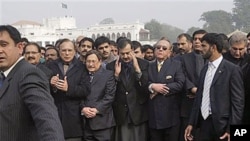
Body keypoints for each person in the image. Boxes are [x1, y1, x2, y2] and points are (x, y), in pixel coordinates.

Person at [0, 25, 64, 140]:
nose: (0, 50)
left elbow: (46, 117)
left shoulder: (28, 74)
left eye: (4, 45)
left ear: (20, 47)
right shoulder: (5, 74)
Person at [184, 33, 244, 141]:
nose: (200, 48)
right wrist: (191, 123)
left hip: (222, 127)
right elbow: (199, 98)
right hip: (203, 125)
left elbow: (237, 103)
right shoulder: (204, 69)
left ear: (213, 47)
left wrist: (231, 129)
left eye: (204, 46)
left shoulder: (232, 70)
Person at [106, 38, 149, 141]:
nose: (125, 56)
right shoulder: (110, 66)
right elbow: (109, 90)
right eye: (122, 54)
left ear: (133, 50)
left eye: (128, 53)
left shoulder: (144, 64)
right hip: (120, 112)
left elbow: (146, 87)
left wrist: (138, 70)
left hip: (138, 111)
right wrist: (116, 76)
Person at [47, 38, 90, 141]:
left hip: (74, 119)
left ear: (75, 51)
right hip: (54, 116)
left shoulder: (82, 67)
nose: (67, 53)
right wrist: (51, 84)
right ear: (59, 51)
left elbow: (85, 90)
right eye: (64, 50)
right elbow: (42, 89)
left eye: (69, 50)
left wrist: (68, 88)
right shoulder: (50, 66)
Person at [148, 37, 185, 141]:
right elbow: (143, 83)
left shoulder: (176, 65)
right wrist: (152, 86)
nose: (160, 50)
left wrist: (160, 88)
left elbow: (179, 84)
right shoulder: (148, 66)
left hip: (170, 113)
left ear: (169, 52)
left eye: (164, 48)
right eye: (158, 47)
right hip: (153, 114)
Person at [81, 50, 116, 141]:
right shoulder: (82, 74)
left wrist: (97, 109)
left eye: (93, 61)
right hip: (85, 122)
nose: (91, 64)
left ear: (100, 61)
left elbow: (109, 96)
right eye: (88, 61)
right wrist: (83, 108)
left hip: (102, 122)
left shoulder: (108, 75)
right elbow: (78, 94)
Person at [178, 30, 206, 141]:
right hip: (188, 103)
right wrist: (192, 89)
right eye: (195, 39)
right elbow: (181, 76)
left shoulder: (212, 58)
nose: (197, 41)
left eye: (201, 39)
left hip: (207, 106)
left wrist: (202, 92)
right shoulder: (183, 58)